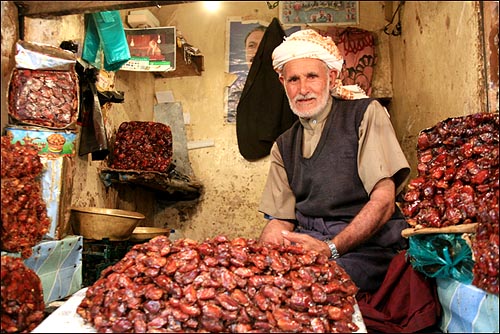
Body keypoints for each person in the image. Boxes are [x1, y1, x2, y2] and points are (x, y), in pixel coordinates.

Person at [258, 29, 411, 293]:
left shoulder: (364, 114)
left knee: (315, 285)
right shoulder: (283, 145)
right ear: (283, 83)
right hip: (312, 242)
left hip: (367, 246)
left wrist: (331, 248)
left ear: (330, 77)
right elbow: (280, 221)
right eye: (293, 79)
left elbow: (384, 202)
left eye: (312, 77)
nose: (303, 89)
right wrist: (260, 260)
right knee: (265, 284)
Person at [227, 25, 266, 122]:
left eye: (262, 45)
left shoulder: (287, 86)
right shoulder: (236, 90)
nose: (256, 52)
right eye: (251, 46)